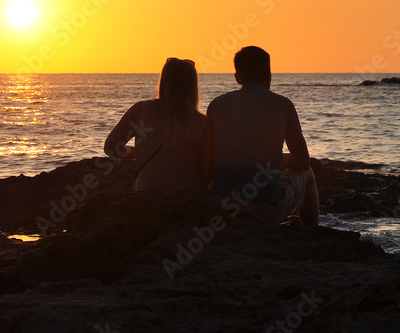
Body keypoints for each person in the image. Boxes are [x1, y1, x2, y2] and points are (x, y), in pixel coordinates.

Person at [206, 46, 319, 226]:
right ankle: (311, 234)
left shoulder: (216, 105)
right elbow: (304, 162)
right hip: (267, 210)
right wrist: (274, 162)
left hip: (221, 208)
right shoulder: (283, 105)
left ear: (237, 77)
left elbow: (208, 164)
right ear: (269, 74)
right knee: (308, 175)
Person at [104, 58, 214, 192]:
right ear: (192, 86)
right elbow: (207, 174)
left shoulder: (140, 110)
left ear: (164, 82)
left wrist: (140, 151)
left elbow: (111, 147)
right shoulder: (202, 123)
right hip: (188, 198)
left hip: (146, 194)